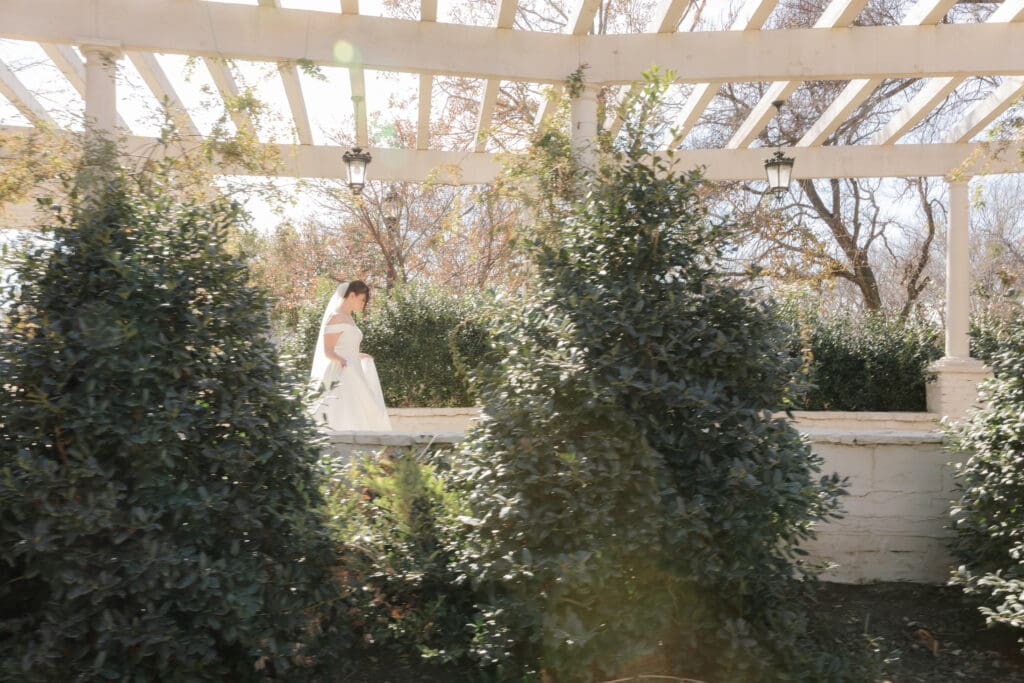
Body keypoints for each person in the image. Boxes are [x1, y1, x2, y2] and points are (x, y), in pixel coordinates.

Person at [309, 280, 392, 431]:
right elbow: (328, 351)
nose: (363, 304)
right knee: (345, 412)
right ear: (352, 295)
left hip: (354, 369)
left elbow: (345, 347)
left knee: (366, 410)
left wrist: (359, 355)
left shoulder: (349, 318)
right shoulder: (335, 317)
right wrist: (344, 361)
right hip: (342, 373)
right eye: (362, 300)